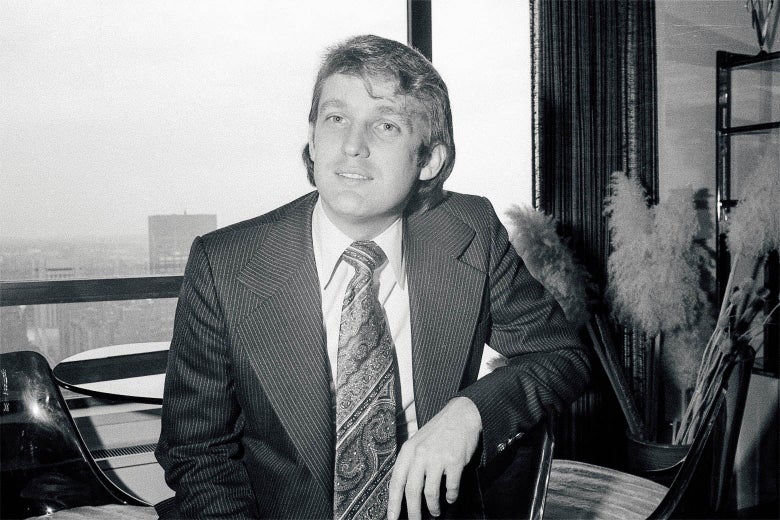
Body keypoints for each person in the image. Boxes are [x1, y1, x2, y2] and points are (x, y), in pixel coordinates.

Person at [155, 34, 590, 519]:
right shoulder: (224, 264)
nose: (352, 146)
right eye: (336, 118)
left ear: (429, 159)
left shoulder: (472, 233)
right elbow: (197, 453)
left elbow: (561, 356)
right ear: (313, 138)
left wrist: (470, 414)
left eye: (385, 125)